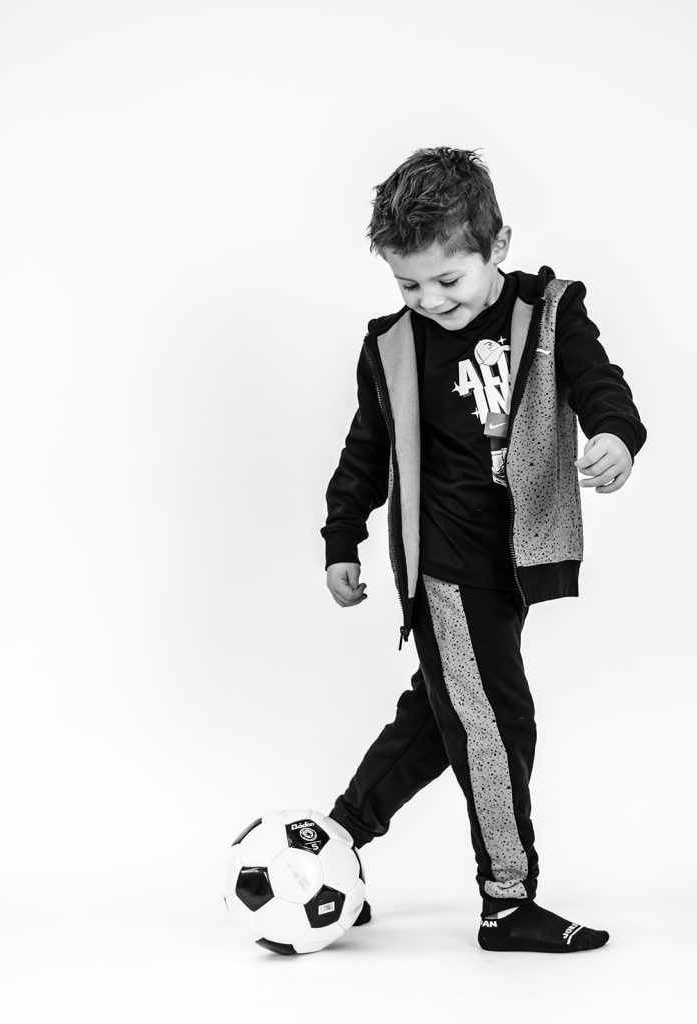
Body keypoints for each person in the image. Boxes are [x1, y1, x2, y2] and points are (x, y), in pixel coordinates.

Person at [320, 146, 647, 953]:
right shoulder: (394, 346)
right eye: (408, 286)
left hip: (513, 562)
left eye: (447, 279)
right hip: (446, 565)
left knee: (441, 716)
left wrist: (614, 433)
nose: (430, 301)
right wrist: (342, 536)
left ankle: (330, 846)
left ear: (497, 245)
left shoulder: (550, 312)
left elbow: (597, 381)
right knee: (496, 722)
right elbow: (366, 452)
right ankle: (506, 901)